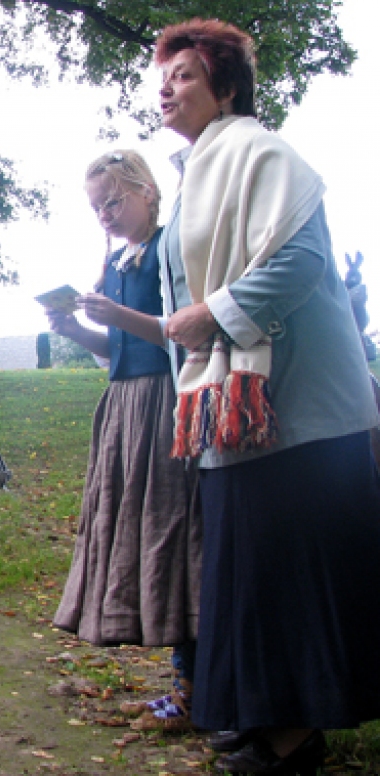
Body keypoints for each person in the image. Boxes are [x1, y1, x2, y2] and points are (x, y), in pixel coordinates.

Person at [155, 19, 380, 771]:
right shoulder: (199, 172)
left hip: (300, 412)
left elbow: (305, 259)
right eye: (163, 75)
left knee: (286, 568)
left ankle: (294, 733)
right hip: (234, 404)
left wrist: (213, 314)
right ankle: (255, 711)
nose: (167, 87)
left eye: (186, 74)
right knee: (245, 567)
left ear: (227, 87)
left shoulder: (261, 151)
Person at [47, 150, 200, 733]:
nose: (104, 213)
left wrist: (118, 312)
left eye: (113, 200)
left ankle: (196, 688)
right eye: (95, 206)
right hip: (123, 406)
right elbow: (117, 351)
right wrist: (79, 329)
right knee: (141, 534)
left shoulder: (167, 249)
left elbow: (177, 339)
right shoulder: (112, 261)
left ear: (146, 192)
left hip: (166, 401)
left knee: (173, 530)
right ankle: (183, 685)